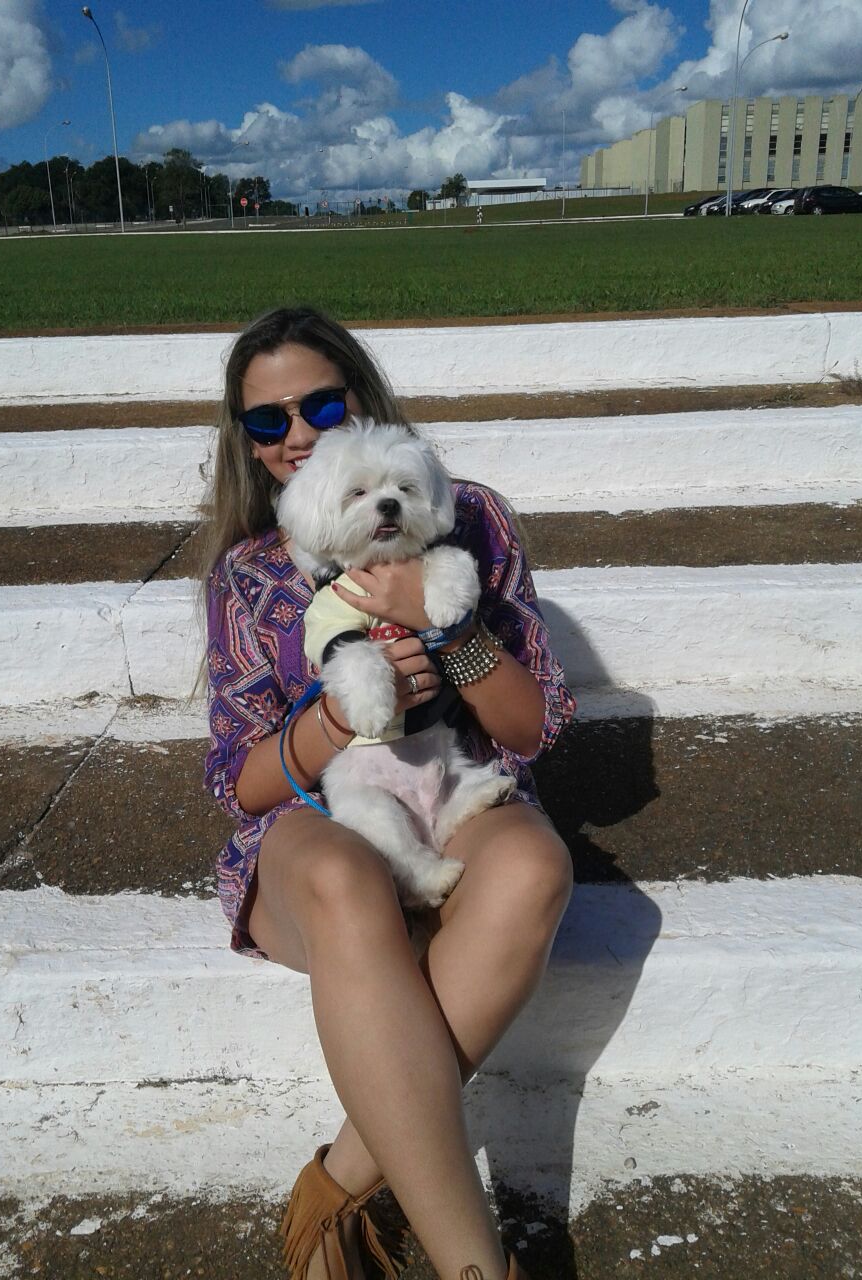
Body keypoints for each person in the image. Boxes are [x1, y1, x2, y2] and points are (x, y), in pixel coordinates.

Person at [202, 306, 575, 1280]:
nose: (296, 433)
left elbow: (531, 726)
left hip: (458, 779)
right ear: (247, 438)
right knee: (345, 881)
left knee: (534, 865)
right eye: (268, 419)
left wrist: (444, 628)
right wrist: (336, 718)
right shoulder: (246, 572)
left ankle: (336, 1185)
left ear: (361, 396)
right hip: (315, 818)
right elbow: (240, 782)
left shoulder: (472, 517)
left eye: (320, 404)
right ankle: (475, 1267)